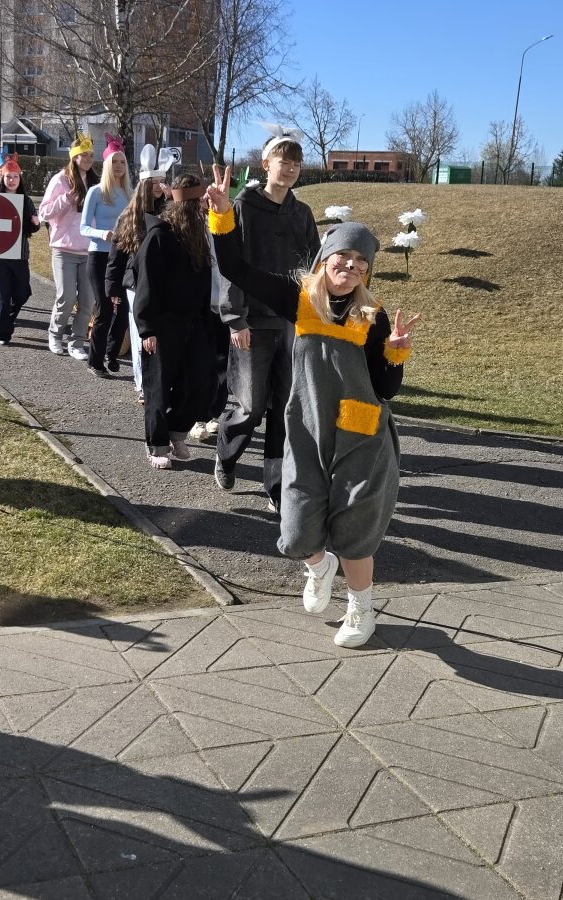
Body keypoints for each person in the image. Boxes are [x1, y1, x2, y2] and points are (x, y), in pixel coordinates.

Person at [206, 165, 420, 649]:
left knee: (355, 533)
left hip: (362, 437)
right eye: (343, 259)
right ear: (325, 259)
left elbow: (386, 390)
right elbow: (236, 268)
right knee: (298, 528)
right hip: (307, 428)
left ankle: (361, 609)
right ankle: (319, 568)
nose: (351, 269)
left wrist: (395, 353)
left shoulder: (372, 317)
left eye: (361, 264)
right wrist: (222, 217)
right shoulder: (299, 299)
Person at [214, 128, 320, 512]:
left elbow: (315, 268)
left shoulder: (302, 213)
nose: (290, 169)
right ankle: (226, 452)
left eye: (296, 164)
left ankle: (276, 484)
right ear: (266, 164)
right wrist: (235, 318)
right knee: (251, 407)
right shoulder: (243, 207)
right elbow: (229, 265)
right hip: (252, 323)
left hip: (291, 324)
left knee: (284, 409)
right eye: (283, 161)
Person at [132, 172, 215, 469]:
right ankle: (156, 444)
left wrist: (205, 322)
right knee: (158, 386)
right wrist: (147, 329)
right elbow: (146, 285)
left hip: (194, 323)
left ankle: (177, 432)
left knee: (197, 383)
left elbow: (205, 283)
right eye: (197, 204)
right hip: (163, 324)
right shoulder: (159, 236)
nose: (202, 209)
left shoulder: (199, 238)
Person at [105, 150, 168, 403]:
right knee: (139, 332)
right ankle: (143, 384)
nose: (159, 187)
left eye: (161, 182)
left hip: (163, 283)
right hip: (136, 283)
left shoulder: (169, 212)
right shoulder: (129, 217)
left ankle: (160, 382)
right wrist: (112, 287)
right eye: (154, 183)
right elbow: (117, 254)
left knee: (160, 335)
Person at [39, 132, 97, 359]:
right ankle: (55, 335)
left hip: (89, 250)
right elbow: (44, 212)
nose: (89, 158)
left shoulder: (95, 181)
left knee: (87, 301)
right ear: (74, 156)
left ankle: (77, 342)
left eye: (91, 155)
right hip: (64, 250)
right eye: (84, 154)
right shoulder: (61, 179)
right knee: (67, 297)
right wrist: (66, 199)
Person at [79, 134, 132, 377]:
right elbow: (83, 227)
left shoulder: (129, 193)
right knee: (105, 309)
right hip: (99, 257)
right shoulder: (96, 192)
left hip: (122, 258)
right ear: (107, 165)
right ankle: (95, 361)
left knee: (123, 312)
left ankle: (112, 353)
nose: (119, 166)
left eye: (122, 162)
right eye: (115, 162)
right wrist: (103, 234)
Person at [0, 152, 41, 346]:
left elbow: (34, 226)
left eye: (16, 176)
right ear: (2, 177)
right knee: (1, 296)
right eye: (8, 176)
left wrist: (35, 222)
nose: (12, 180)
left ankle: (6, 320)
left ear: (20, 178)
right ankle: (3, 333)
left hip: (20, 254)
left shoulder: (26, 201)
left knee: (22, 293)